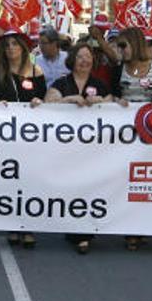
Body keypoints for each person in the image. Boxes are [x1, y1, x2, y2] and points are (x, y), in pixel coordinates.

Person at [45, 43, 112, 254]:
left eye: (89, 57)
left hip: (92, 150)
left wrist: (102, 102)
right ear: (72, 60)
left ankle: (83, 234)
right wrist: (69, 99)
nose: (85, 60)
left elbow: (113, 107)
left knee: (88, 188)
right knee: (70, 188)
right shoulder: (62, 82)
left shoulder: (100, 84)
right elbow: (48, 103)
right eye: (81, 56)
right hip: (66, 148)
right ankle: (73, 230)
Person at [0, 27, 46, 249]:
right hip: (6, 135)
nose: (11, 48)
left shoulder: (36, 71)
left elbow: (43, 98)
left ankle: (27, 226)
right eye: (7, 45)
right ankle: (12, 224)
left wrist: (40, 103)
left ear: (23, 48)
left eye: (15, 44)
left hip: (30, 136)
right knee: (10, 181)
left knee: (29, 180)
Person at [112, 26, 152, 252]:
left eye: (123, 45)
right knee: (127, 180)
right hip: (125, 133)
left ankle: (143, 226)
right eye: (118, 46)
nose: (120, 50)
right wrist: (116, 100)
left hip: (150, 132)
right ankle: (130, 229)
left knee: (146, 180)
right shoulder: (118, 69)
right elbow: (110, 93)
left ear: (136, 45)